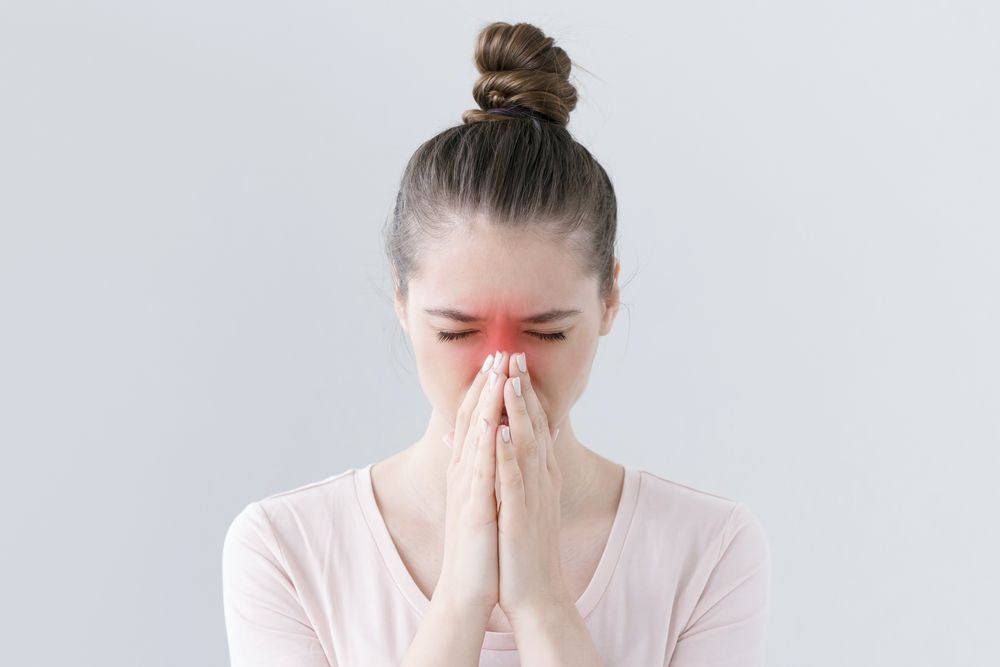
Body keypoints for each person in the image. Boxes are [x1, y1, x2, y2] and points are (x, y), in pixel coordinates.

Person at [222, 20, 771, 667]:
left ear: (609, 301)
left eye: (547, 331)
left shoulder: (707, 550)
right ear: (402, 299)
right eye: (457, 330)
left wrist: (541, 603)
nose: (502, 365)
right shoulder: (287, 548)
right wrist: (460, 599)